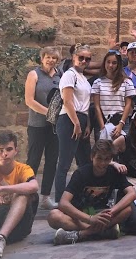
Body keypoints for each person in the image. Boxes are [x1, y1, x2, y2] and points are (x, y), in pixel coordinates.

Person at [48, 140, 136, 245]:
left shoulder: (114, 172)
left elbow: (132, 193)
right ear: (92, 157)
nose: (102, 163)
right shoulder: (81, 173)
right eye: (99, 158)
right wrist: (90, 219)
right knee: (54, 215)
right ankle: (100, 232)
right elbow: (63, 203)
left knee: (127, 209)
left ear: (111, 159)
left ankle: (82, 234)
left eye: (107, 159)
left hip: (101, 214)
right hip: (80, 216)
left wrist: (112, 211)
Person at [54, 44, 93, 205]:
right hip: (69, 119)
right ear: (73, 57)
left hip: (81, 119)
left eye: (88, 59)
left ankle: (82, 197)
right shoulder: (69, 75)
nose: (84, 61)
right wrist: (76, 124)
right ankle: (60, 200)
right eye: (81, 57)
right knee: (65, 162)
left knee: (85, 162)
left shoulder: (82, 77)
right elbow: (67, 101)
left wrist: (87, 125)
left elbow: (85, 104)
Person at [24, 46, 62, 211]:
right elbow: (29, 100)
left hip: (55, 127)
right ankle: (27, 196)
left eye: (54, 58)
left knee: (52, 161)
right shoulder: (34, 74)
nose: (51, 60)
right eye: (48, 57)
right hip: (37, 125)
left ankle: (45, 197)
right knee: (33, 160)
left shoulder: (60, 75)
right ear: (42, 58)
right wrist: (49, 113)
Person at [92, 51, 136, 141]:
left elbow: (128, 104)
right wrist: (102, 127)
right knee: (103, 148)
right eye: (108, 62)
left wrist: (121, 124)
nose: (110, 65)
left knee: (121, 147)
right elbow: (97, 106)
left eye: (114, 63)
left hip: (121, 121)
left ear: (118, 64)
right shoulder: (98, 82)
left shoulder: (127, 82)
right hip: (104, 120)